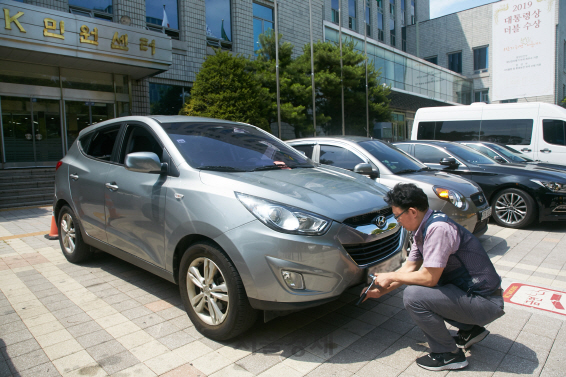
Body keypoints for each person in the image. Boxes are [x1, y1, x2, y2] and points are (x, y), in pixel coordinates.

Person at [362, 183, 504, 371]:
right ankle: (470, 331)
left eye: (397, 216)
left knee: (414, 296)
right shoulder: (423, 228)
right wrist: (381, 291)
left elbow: (429, 278)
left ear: (412, 211)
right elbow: (409, 269)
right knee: (420, 288)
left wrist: (389, 276)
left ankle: (449, 355)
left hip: (486, 301)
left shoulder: (438, 229)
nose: (397, 222)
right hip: (472, 295)